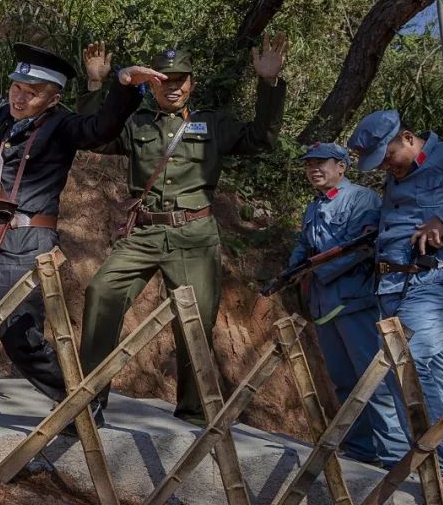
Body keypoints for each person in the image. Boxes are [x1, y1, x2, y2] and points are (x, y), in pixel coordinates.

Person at [0, 0, 163, 429]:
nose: (19, 97)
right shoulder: (4, 117)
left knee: (20, 338)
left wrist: (123, 86)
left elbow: (101, 127)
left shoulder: (63, 126)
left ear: (53, 98)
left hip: (27, 246)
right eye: (15, 88)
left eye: (31, 93)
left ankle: (79, 400)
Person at [77, 38, 287, 424]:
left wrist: (269, 85)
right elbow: (92, 135)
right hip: (143, 233)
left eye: (181, 79)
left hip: (194, 234)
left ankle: (193, 409)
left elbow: (262, 138)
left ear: (192, 82)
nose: (173, 86)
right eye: (164, 80)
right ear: (151, 84)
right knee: (102, 291)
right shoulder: (135, 123)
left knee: (196, 321)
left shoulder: (213, 124)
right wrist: (96, 86)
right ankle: (89, 399)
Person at [348, 110, 443, 505]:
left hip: (437, 280)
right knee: (410, 377)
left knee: (411, 359)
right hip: (392, 284)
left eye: (386, 156)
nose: (384, 165)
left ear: (410, 137)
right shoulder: (393, 178)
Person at [286, 142, 408, 467]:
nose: (314, 168)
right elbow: (304, 243)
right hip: (324, 306)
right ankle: (360, 451)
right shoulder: (313, 206)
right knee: (344, 381)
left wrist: (319, 270)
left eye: (322, 162)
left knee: (375, 382)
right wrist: (294, 267)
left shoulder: (362, 199)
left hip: (356, 303)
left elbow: (364, 246)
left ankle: (395, 457)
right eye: (309, 163)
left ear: (341, 167)